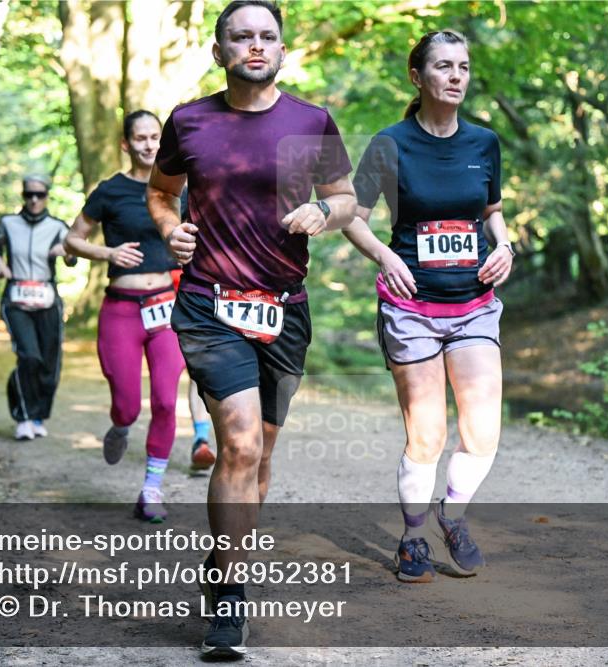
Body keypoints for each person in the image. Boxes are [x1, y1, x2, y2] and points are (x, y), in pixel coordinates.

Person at [147, 0, 356, 657]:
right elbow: (160, 190)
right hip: (210, 302)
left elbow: (348, 197)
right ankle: (231, 602)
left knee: (259, 456)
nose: (256, 45)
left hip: (284, 307)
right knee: (236, 444)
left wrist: (323, 211)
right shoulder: (190, 120)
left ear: (282, 50)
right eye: (242, 36)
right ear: (220, 52)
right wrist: (169, 228)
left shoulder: (311, 122)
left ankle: (223, 557)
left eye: (268, 36)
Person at [343, 30, 514, 583]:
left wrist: (505, 244)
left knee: (483, 430)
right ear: (418, 78)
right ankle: (414, 535)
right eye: (444, 67)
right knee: (427, 435)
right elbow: (352, 215)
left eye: (463, 66)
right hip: (412, 304)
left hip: (474, 302)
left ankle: (453, 515)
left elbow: (492, 210)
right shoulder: (390, 143)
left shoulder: (484, 142)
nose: (457, 76)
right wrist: (383, 259)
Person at [65, 110, 213, 524]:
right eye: (141, 138)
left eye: (155, 137)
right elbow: (72, 240)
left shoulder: (180, 189)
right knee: (128, 405)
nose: (150, 144)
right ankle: (120, 423)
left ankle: (151, 488)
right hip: (121, 310)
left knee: (167, 400)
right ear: (126, 144)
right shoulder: (110, 190)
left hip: (167, 308)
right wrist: (107, 253)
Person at [0, 175, 76, 441]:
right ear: (23, 196)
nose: (34, 200)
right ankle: (23, 417)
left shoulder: (57, 226)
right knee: (29, 356)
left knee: (49, 362)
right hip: (16, 299)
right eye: (29, 195)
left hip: (47, 300)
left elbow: (73, 255)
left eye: (39, 195)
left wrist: (66, 253)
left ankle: (39, 416)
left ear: (47, 196)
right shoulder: (8, 222)